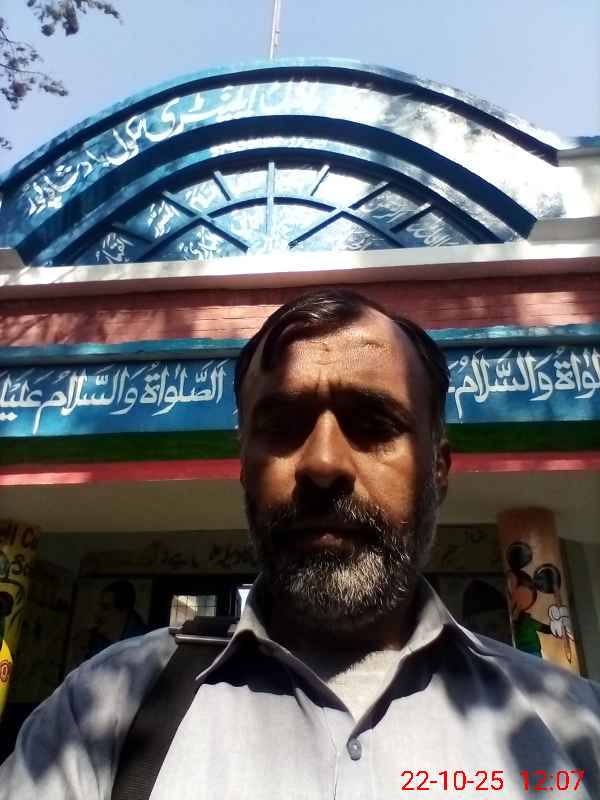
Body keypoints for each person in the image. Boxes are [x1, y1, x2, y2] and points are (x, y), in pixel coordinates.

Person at [1, 288, 599, 799]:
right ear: (244, 466)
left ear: (438, 469)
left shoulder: (575, 728)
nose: (323, 464)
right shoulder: (106, 709)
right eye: (283, 427)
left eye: (374, 425)